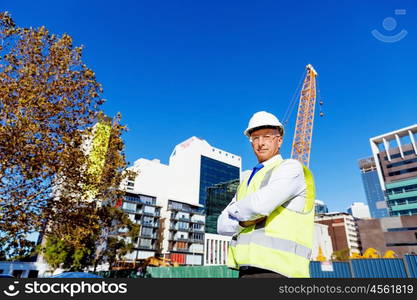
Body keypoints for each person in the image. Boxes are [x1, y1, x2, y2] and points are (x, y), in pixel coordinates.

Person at [217, 111, 316, 278]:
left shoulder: (290, 168)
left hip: (281, 272)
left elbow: (259, 206)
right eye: (255, 138)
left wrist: (235, 211)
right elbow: (221, 225)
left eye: (267, 136)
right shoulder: (247, 178)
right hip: (245, 271)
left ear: (279, 140)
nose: (260, 143)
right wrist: (243, 222)